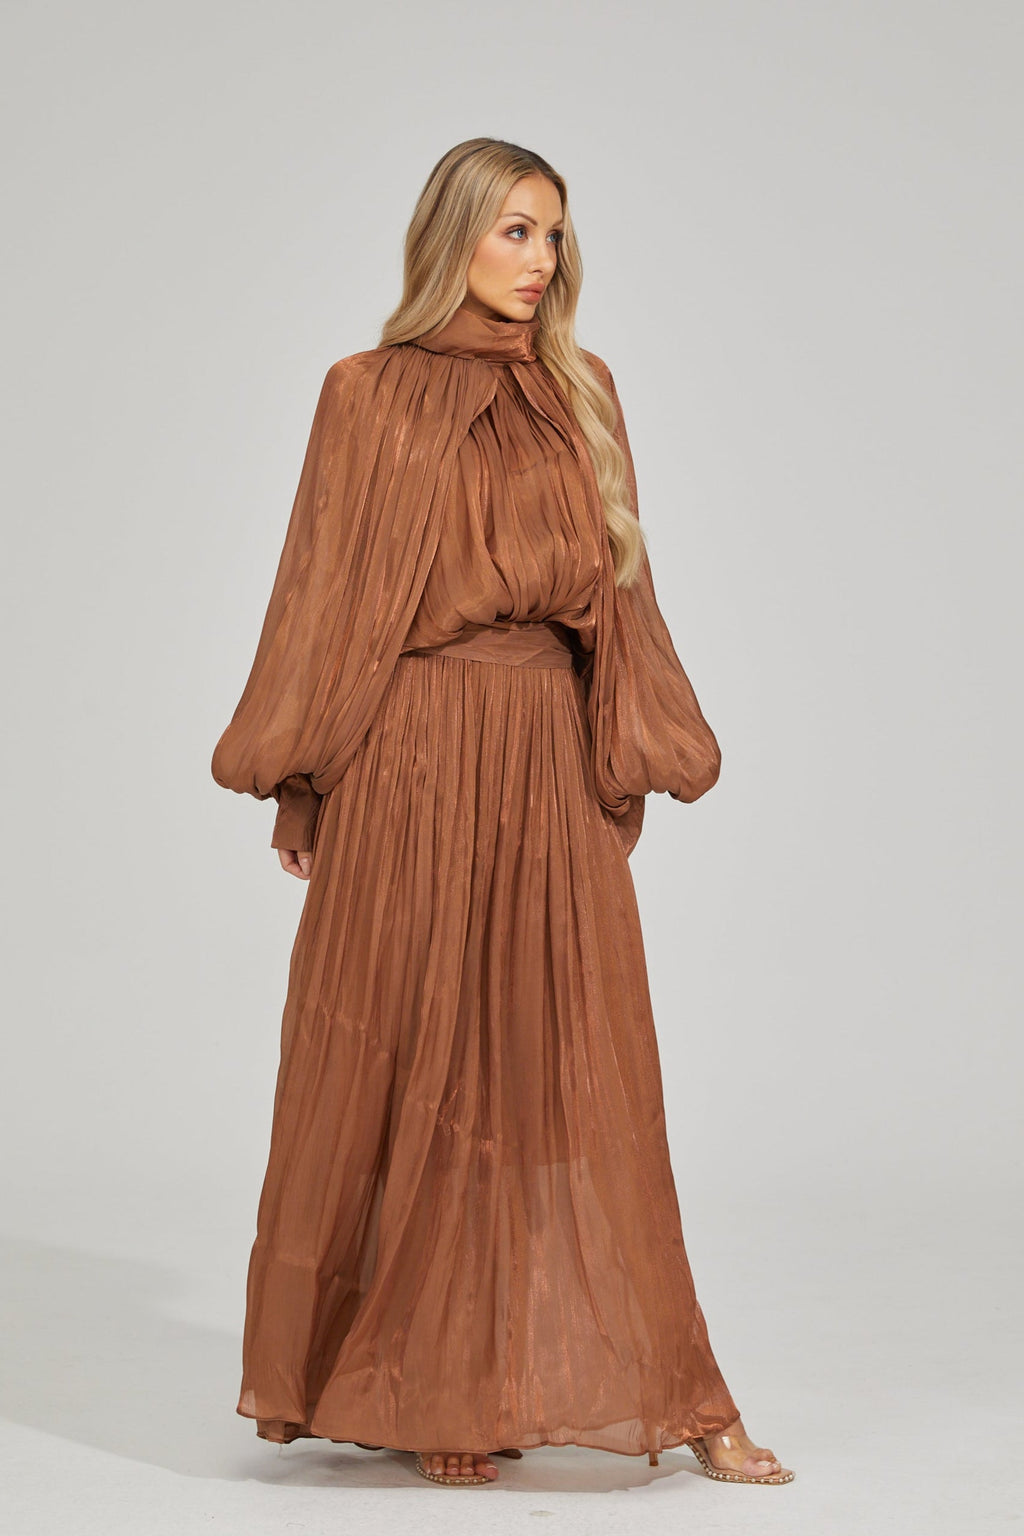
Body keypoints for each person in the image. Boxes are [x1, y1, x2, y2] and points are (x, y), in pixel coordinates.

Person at [210, 136, 794, 1490]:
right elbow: (322, 595)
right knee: (420, 1060)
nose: (542, 260)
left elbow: (624, 599)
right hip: (408, 753)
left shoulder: (583, 390)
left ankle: (686, 1392)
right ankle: (437, 1385)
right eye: (516, 230)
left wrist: (626, 751)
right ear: (455, 236)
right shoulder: (364, 394)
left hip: (542, 750)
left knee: (569, 1065)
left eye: (555, 234)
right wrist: (301, 776)